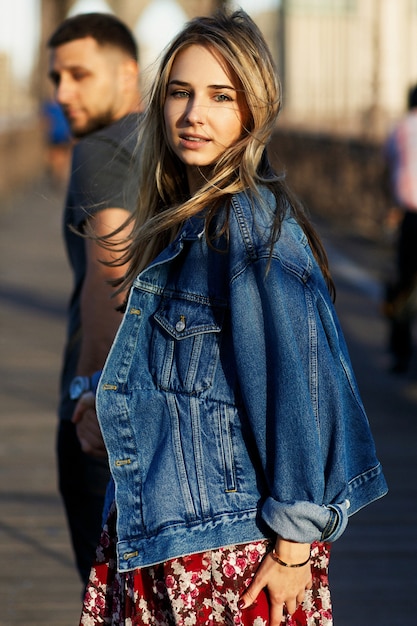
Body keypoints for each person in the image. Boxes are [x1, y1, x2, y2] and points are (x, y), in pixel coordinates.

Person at [79, 10, 387, 625]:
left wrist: (295, 545)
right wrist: (101, 402)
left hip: (229, 556)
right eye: (180, 92)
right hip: (166, 534)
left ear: (254, 112)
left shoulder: (247, 226)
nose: (194, 114)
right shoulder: (191, 221)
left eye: (221, 97)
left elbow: (296, 386)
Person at [47, 12, 142, 586]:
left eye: (79, 75)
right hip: (178, 411)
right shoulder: (184, 147)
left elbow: (112, 273)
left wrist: (89, 396)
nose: (62, 93)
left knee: (110, 596)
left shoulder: (100, 151)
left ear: (127, 72)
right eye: (57, 78)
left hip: (102, 411)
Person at [383, 84, 417, 374]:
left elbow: (390, 168)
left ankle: (401, 354)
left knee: (403, 283)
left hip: (410, 217)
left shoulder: (401, 129)